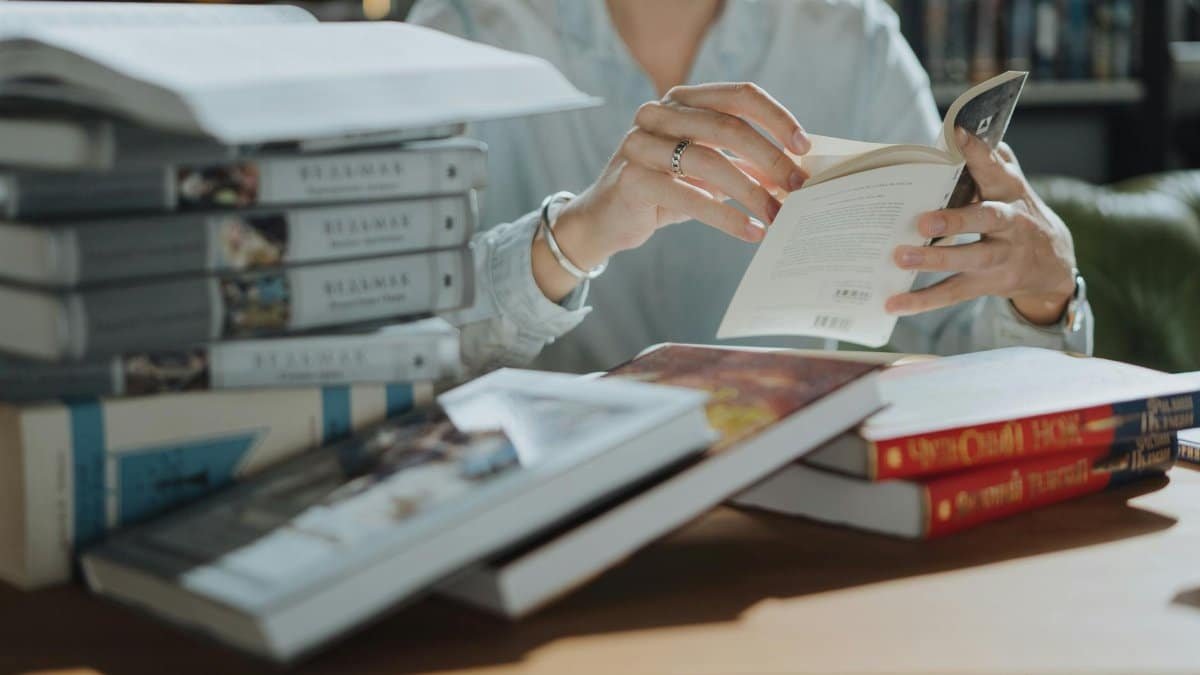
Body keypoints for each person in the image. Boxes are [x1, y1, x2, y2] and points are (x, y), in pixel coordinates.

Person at [410, 0, 1093, 374]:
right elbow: (390, 355)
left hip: (796, 529)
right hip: (538, 521)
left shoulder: (856, 42)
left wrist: (1044, 299)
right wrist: (572, 237)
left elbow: (954, 346)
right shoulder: (454, 39)